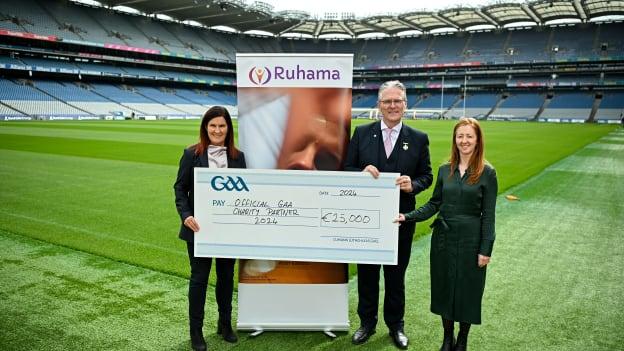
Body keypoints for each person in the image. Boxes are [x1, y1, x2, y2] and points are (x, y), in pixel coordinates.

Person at [396, 117, 498, 351]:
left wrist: (486, 249)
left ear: (477, 140)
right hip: (443, 239)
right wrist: (408, 216)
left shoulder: (487, 172)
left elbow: (489, 215)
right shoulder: (444, 170)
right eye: (460, 136)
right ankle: (447, 337)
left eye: (469, 136)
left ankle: (462, 339)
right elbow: (434, 204)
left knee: (467, 290)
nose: (464, 141)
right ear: (455, 139)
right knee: (444, 288)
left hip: (472, 240)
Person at [345, 80, 433, 349]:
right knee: (368, 275)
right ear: (379, 105)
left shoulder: (418, 138)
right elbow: (346, 168)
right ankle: (367, 324)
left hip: (401, 219)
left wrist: (413, 184)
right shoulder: (361, 133)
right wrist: (360, 174)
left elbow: (427, 175)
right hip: (366, 220)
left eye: (398, 101)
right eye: (387, 101)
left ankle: (396, 326)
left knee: (396, 277)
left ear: (405, 105)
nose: (392, 106)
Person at [173, 106, 246, 351]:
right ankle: (196, 331)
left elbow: (244, 192)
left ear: (228, 129)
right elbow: (180, 189)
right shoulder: (191, 154)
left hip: (227, 230)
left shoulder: (238, 157)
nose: (217, 130)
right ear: (206, 127)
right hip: (199, 230)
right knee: (199, 280)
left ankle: (225, 325)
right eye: (213, 125)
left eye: (222, 126)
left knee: (226, 278)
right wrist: (186, 215)